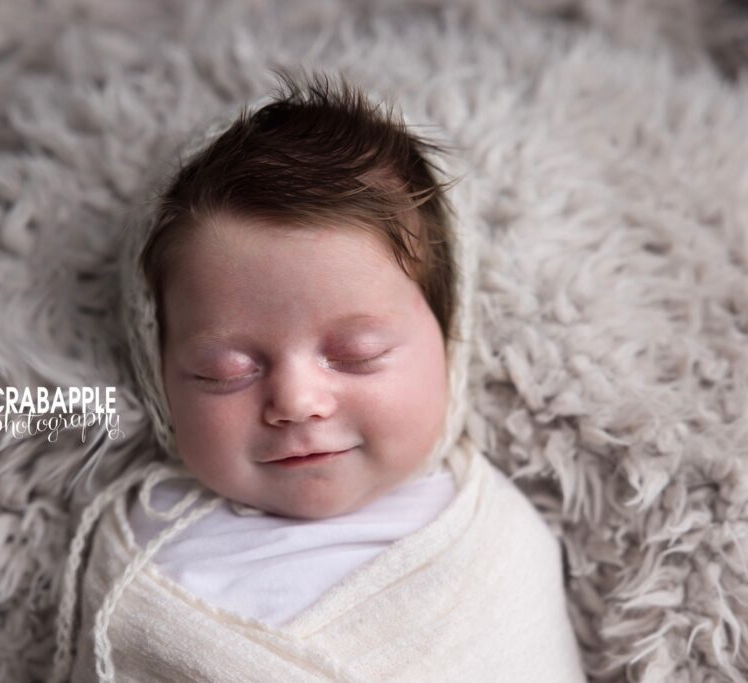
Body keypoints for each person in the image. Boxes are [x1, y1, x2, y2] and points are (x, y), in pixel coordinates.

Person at [51, 69, 587, 683]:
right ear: (157, 373)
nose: (297, 402)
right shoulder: (136, 552)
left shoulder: (495, 546)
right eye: (225, 370)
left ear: (449, 340)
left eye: (356, 355)